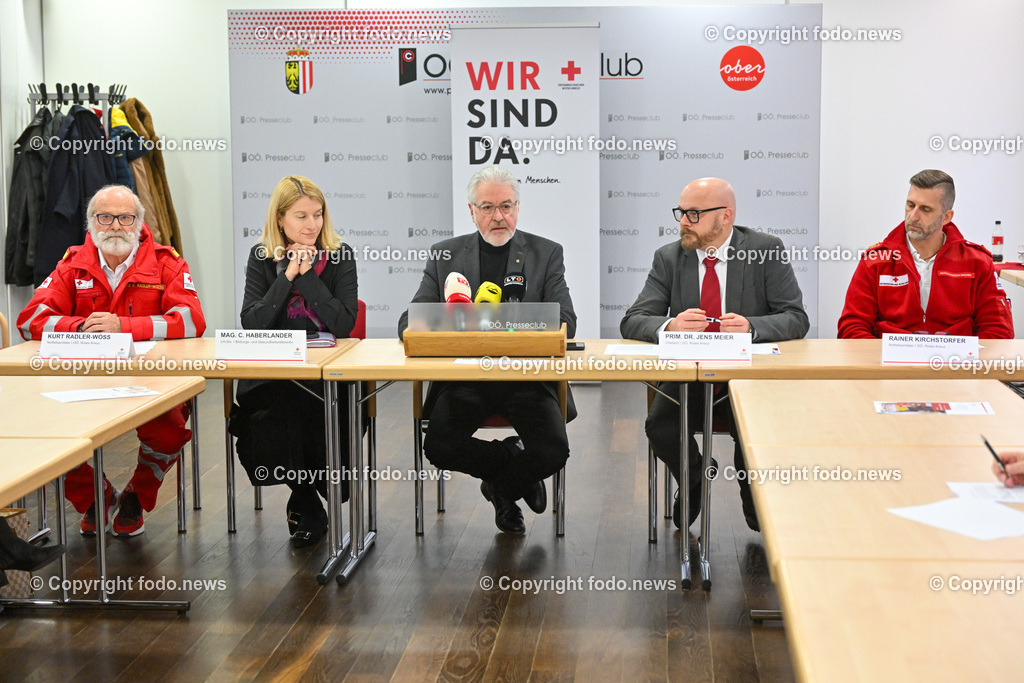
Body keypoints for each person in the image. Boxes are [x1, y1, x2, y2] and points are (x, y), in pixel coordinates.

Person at [620, 177, 809, 532]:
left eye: (694, 213)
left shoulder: (764, 250)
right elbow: (633, 320)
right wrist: (670, 326)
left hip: (747, 376)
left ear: (726, 216)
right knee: (659, 425)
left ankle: (756, 508)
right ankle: (694, 475)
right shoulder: (670, 257)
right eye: (681, 212)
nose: (683, 222)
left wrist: (752, 327)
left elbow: (796, 318)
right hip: (690, 374)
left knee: (751, 430)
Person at [17, 184, 205, 538]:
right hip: (80, 383)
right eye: (105, 217)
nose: (115, 225)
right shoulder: (71, 265)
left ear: (139, 222)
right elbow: (30, 319)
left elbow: (193, 320)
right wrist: (82, 327)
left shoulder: (167, 262)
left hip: (152, 381)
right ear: (90, 223)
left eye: (125, 217)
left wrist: (124, 327)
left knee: (167, 431)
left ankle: (137, 495)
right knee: (45, 432)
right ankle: (93, 498)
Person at [397, 166, 576, 534]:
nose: (499, 216)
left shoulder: (546, 253)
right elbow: (408, 322)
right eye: (488, 207)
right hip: (466, 381)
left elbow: (566, 322)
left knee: (553, 451)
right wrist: (448, 319)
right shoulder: (445, 255)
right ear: (471, 211)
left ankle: (501, 489)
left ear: (518, 207)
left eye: (507, 206)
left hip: (527, 380)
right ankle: (511, 460)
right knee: (439, 446)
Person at [232, 175, 358, 547]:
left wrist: (307, 276)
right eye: (301, 216)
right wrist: (286, 274)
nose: (312, 225)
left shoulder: (339, 256)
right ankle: (306, 498)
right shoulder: (261, 258)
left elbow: (344, 323)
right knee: (276, 413)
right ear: (280, 220)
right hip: (274, 377)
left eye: (318, 215)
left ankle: (306, 494)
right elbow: (252, 322)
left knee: (313, 410)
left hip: (326, 377)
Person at [838, 169, 1013, 338]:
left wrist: (966, 362)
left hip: (956, 365)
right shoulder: (875, 261)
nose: (913, 216)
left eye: (925, 209)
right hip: (891, 365)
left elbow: (998, 329)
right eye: (910, 205)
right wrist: (881, 362)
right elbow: (852, 327)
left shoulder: (977, 262)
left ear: (946, 217)